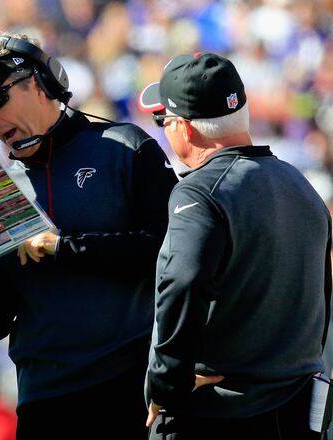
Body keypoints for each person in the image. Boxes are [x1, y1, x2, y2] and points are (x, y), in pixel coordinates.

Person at [0, 33, 178, 438]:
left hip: (131, 389)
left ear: (39, 82)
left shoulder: (124, 147)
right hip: (43, 401)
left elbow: (169, 254)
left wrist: (65, 248)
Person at [138, 52, 332, 439]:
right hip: (294, 409)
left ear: (184, 128)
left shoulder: (200, 191)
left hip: (222, 415)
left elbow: (182, 284)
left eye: (163, 121)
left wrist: (165, 385)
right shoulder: (302, 185)